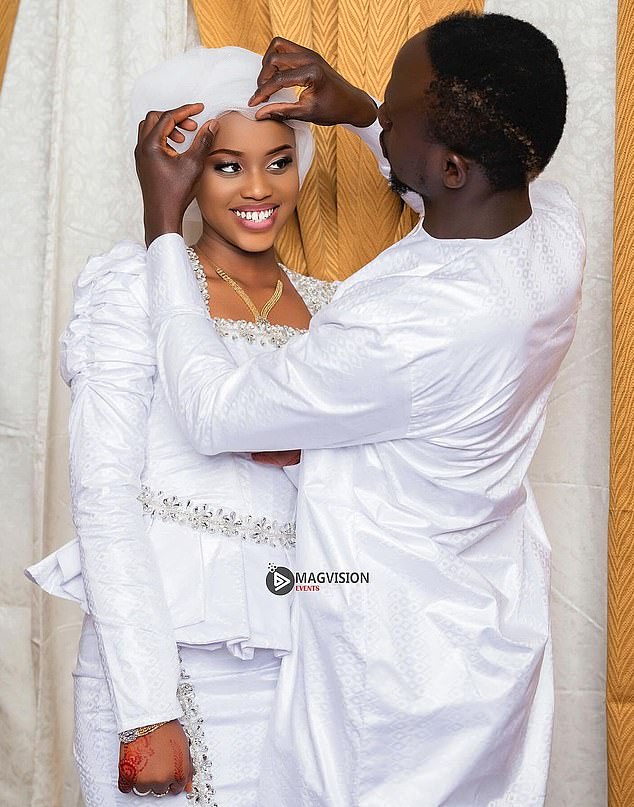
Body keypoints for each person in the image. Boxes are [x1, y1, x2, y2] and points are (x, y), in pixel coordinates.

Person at [134, 12, 586, 807]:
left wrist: (163, 229)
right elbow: (451, 169)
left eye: (402, 101)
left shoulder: (406, 328)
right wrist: (370, 115)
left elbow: (208, 410)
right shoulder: (553, 229)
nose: (387, 105)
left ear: (449, 166)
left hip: (393, 656)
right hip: (485, 620)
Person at [26, 46, 337, 806]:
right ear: (185, 170)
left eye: (279, 161)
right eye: (228, 165)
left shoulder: (338, 312)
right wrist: (146, 708)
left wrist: (358, 117)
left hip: (309, 674)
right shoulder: (131, 287)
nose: (259, 189)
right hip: (164, 670)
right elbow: (102, 491)